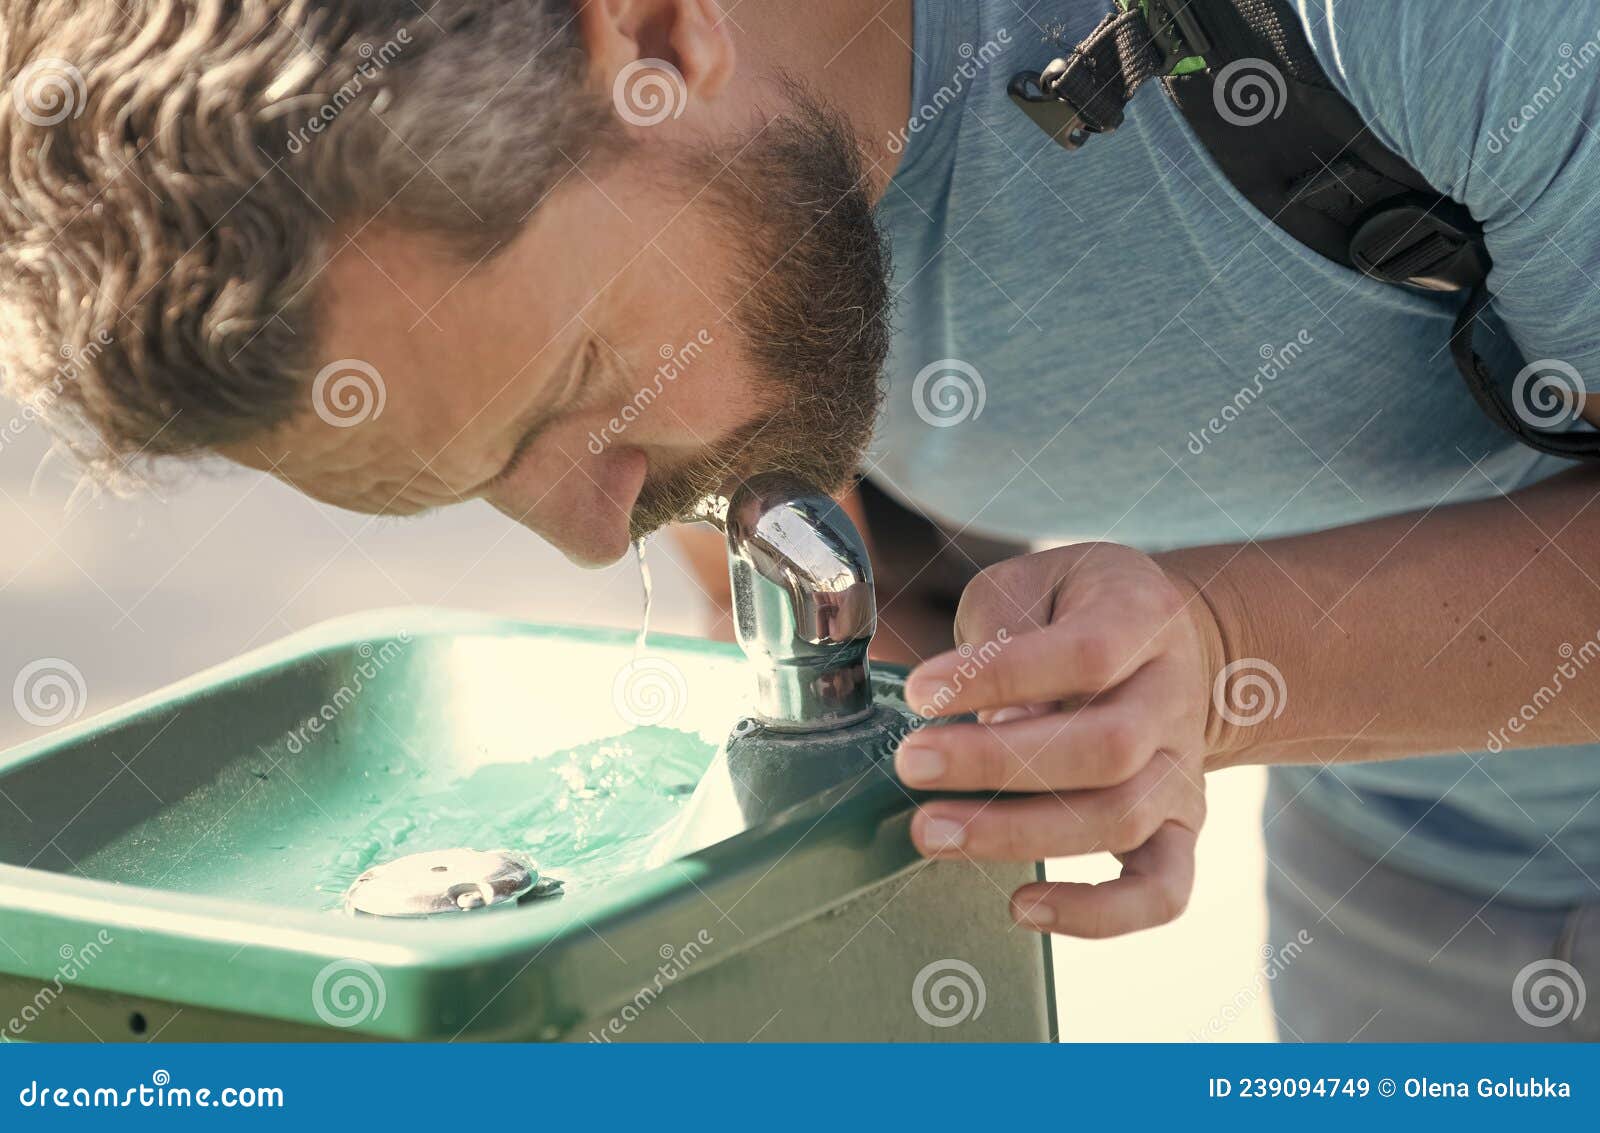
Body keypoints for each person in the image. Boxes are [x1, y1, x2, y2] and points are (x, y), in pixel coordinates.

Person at [2, 0, 1597, 1040]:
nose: (588, 537)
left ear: (652, 36)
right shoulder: (711, 206)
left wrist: (1232, 650)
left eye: (574, 393)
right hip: (1433, 880)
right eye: (487, 477)